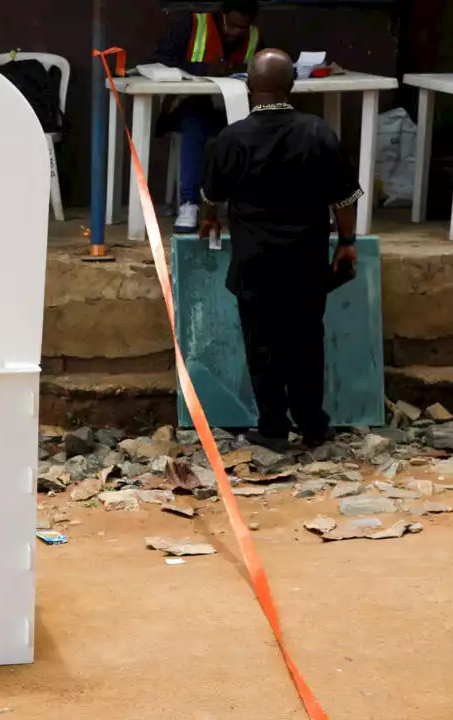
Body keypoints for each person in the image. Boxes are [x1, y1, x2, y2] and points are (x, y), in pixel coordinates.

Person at [198, 49, 363, 452]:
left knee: (262, 344)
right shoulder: (318, 132)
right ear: (292, 85)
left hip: (254, 263)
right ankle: (312, 426)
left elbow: (210, 196)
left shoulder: (230, 138)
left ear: (249, 87)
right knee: (307, 342)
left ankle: (272, 427)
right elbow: (344, 199)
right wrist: (346, 242)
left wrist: (209, 220)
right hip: (305, 261)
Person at [153, 0, 263, 233]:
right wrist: (203, 69)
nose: (235, 33)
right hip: (185, 106)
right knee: (196, 125)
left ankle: (246, 204)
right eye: (231, 25)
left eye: (242, 28)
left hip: (231, 107)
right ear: (222, 14)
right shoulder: (192, 25)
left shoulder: (254, 36)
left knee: (257, 127)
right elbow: (161, 60)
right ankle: (190, 204)